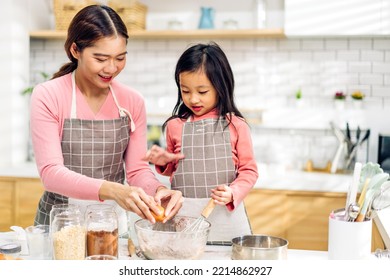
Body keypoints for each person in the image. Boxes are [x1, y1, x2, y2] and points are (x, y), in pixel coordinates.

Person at [30, 5, 182, 233]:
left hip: (107, 223)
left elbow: (137, 170)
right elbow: (51, 174)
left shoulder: (132, 101)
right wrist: (114, 190)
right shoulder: (49, 95)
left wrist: (157, 190)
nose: (111, 68)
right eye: (100, 58)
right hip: (60, 224)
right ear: (75, 50)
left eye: (120, 58)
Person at [144, 42, 259, 243]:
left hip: (225, 218)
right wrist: (163, 161)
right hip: (183, 218)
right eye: (185, 91)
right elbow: (175, 169)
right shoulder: (175, 126)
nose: (193, 99)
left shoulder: (236, 125)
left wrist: (233, 192)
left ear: (220, 86)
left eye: (202, 91)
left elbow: (249, 171)